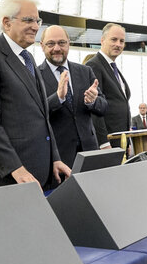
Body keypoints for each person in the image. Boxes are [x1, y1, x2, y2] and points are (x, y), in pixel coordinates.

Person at [0, 0, 70, 189]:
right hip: (10, 178)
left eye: (37, 20)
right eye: (28, 20)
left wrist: (54, 158)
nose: (36, 26)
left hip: (39, 173)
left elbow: (42, 116)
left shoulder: (28, 59)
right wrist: (15, 167)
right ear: (6, 23)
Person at [38, 25, 107, 167]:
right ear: (42, 46)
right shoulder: (35, 76)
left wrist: (92, 102)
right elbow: (36, 114)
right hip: (58, 157)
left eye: (62, 43)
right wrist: (58, 97)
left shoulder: (85, 71)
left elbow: (103, 107)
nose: (57, 48)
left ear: (69, 43)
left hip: (89, 151)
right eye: (51, 43)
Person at [87, 23, 131, 149]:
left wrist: (127, 141)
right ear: (102, 40)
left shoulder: (113, 67)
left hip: (120, 140)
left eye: (122, 41)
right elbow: (94, 107)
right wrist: (103, 143)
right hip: (108, 142)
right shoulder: (94, 65)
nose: (118, 44)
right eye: (114, 39)